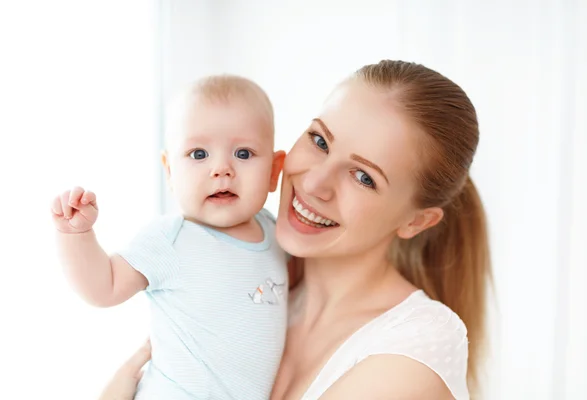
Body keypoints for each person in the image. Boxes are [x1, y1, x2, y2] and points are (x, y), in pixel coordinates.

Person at [99, 59, 491, 400]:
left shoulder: (417, 344)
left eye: (363, 177)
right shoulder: (253, 291)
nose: (314, 182)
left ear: (415, 221)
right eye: (320, 141)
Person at [52, 75, 288, 399]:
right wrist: (76, 234)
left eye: (243, 154)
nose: (221, 168)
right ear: (169, 171)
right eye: (198, 154)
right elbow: (102, 288)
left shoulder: (276, 234)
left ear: (275, 171)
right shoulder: (171, 239)